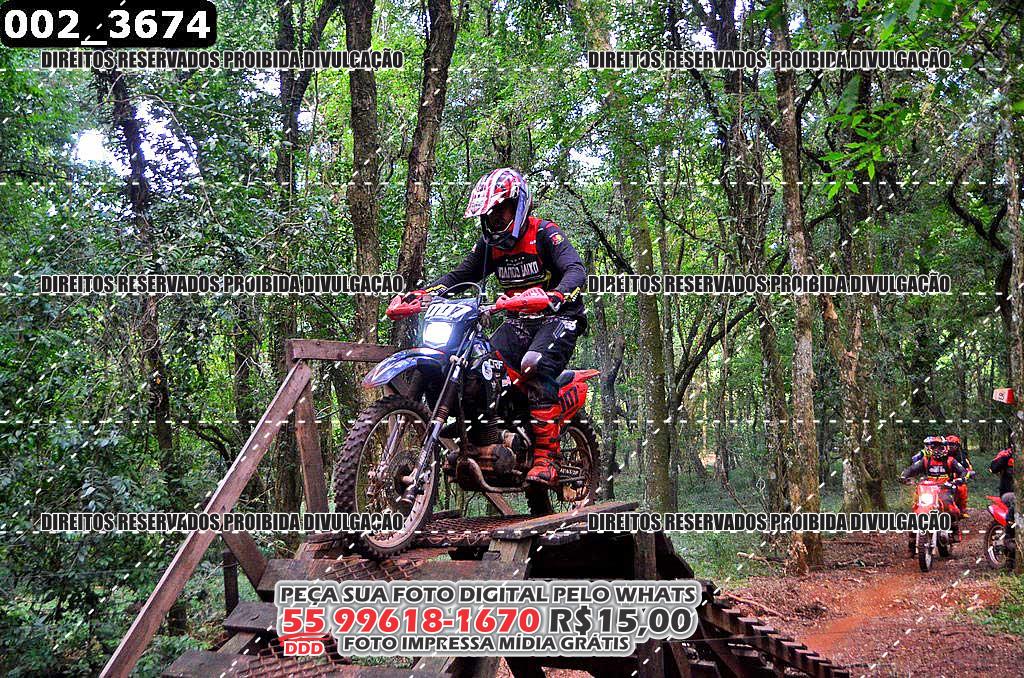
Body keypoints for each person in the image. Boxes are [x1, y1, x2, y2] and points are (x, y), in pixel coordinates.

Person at [406, 168, 587, 486]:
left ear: (518, 206)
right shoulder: (490, 246)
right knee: (485, 367)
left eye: (500, 211)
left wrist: (555, 295)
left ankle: (546, 459)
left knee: (533, 364)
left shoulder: (545, 233)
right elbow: (461, 275)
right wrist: (424, 294)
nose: (493, 219)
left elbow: (575, 269)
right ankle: (500, 432)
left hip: (559, 317)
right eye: (488, 214)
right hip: (518, 321)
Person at [900, 441, 970, 540]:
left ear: (945, 448)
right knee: (917, 509)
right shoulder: (926, 460)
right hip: (928, 490)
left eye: (940, 448)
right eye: (934, 448)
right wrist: (904, 476)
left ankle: (954, 529)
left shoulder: (950, 460)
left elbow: (963, 471)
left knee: (951, 508)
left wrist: (960, 479)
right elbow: (912, 469)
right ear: (931, 449)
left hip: (944, 489)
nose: (937, 450)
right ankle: (912, 539)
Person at [943, 435, 974, 517]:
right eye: (948, 444)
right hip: (942, 479)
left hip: (956, 479)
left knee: (962, 488)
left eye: (952, 444)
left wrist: (964, 477)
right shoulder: (940, 455)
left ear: (957, 445)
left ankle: (962, 510)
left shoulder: (961, 456)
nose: (950, 447)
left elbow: (968, 468)